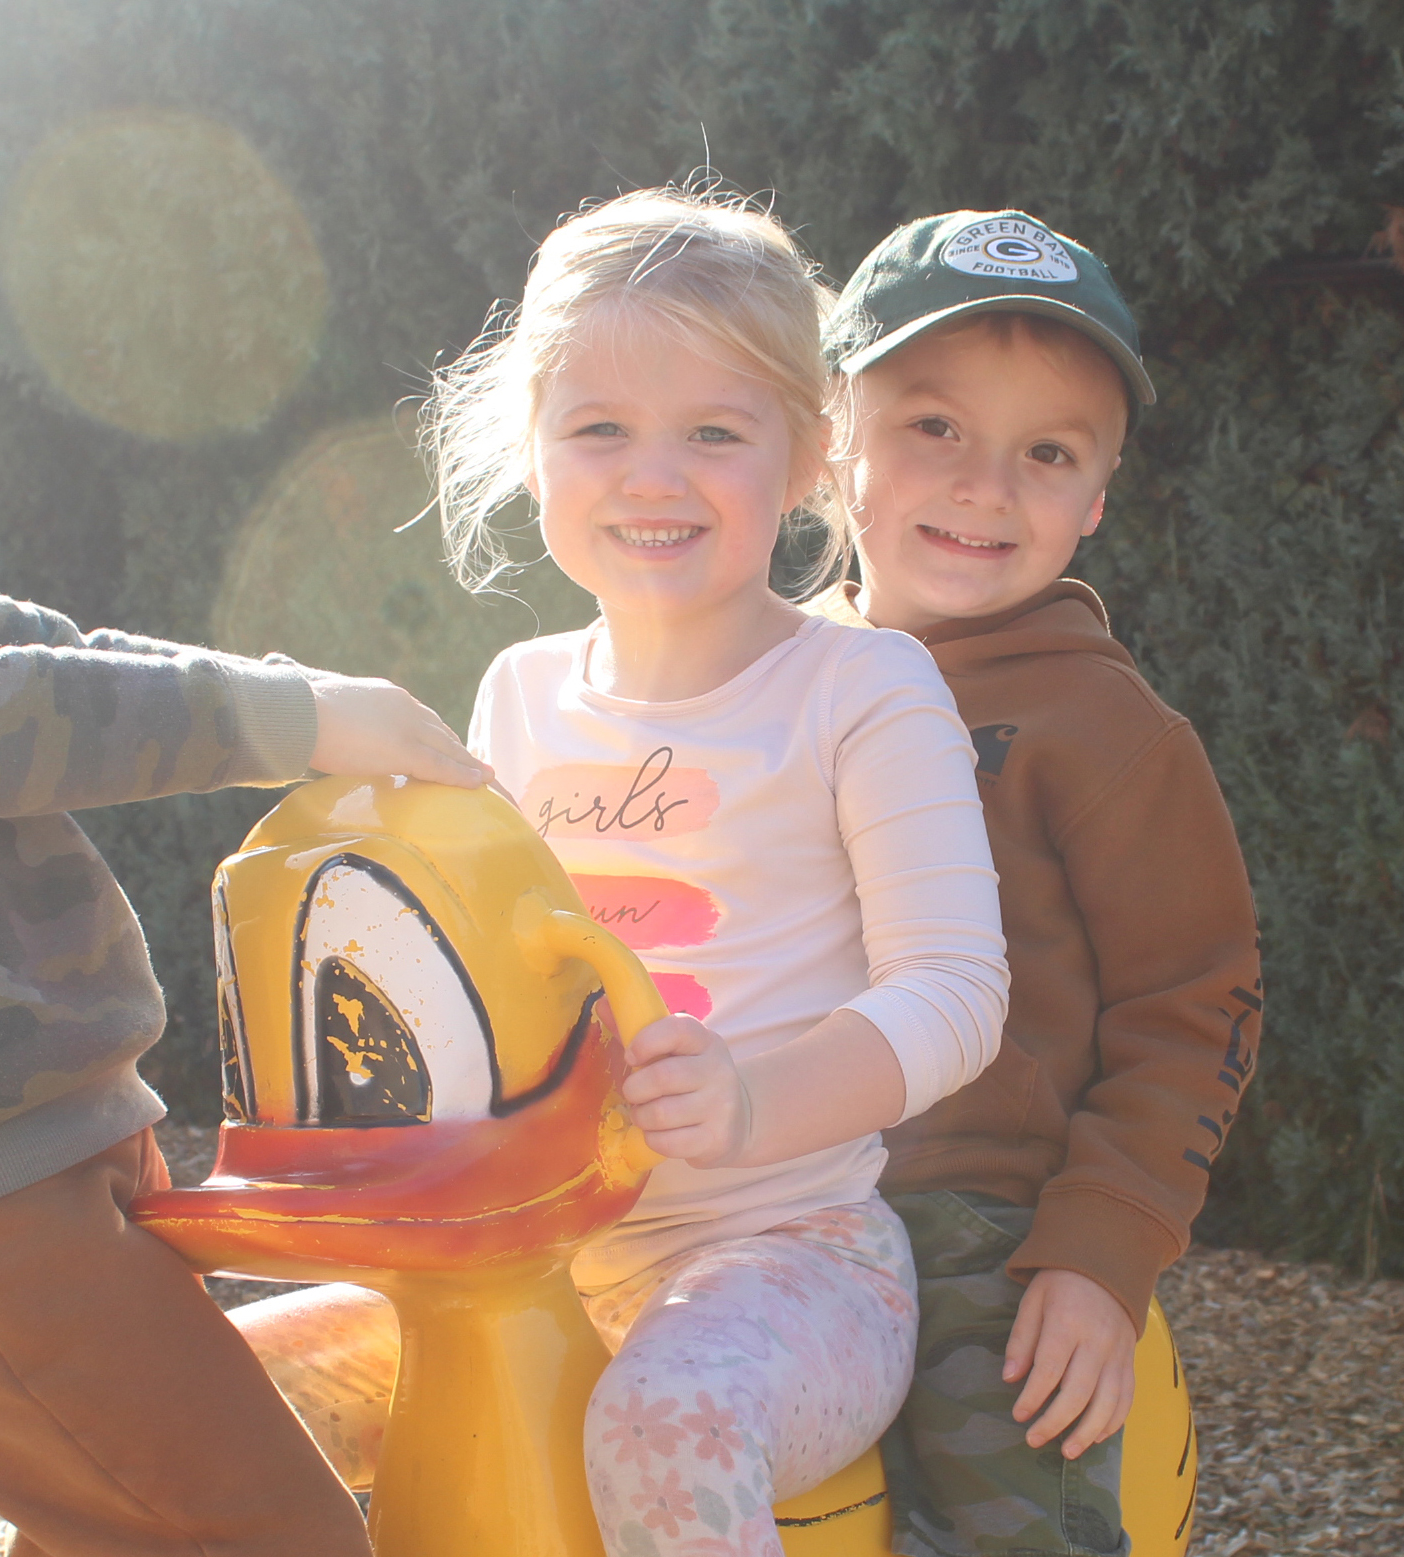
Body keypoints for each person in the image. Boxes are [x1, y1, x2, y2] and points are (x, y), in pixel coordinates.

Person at [234, 187, 1013, 1557]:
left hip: (794, 1259)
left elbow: (955, 990)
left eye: (714, 431)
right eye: (599, 429)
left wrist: (754, 1093)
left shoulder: (859, 687)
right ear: (533, 455)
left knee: (661, 1421)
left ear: (805, 460)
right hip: (524, 1261)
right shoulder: (520, 696)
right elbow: (460, 993)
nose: (652, 475)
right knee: (211, 1395)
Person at [811, 210, 1262, 1557]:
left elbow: (1197, 1000)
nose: (985, 488)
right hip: (755, 1202)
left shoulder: (1103, 729)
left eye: (1046, 453)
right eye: (934, 427)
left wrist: (1096, 1251)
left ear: (1098, 499)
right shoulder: (762, 685)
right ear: (837, 439)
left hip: (980, 1233)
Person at [0, 569, 488, 1557]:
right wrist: (297, 718)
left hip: (55, 1143)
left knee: (125, 1514)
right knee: (267, 1533)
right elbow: (2, 713)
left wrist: (305, 698)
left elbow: (53, 651)